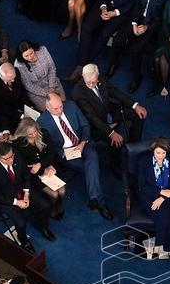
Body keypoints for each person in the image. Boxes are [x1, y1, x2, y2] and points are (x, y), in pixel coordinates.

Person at [37, 91, 113, 220]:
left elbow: (85, 125)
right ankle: (98, 201)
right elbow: (50, 147)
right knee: (91, 168)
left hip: (83, 143)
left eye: (61, 106)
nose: (60, 110)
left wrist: (83, 143)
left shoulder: (71, 106)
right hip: (67, 153)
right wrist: (62, 154)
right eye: (56, 108)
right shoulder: (42, 122)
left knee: (92, 157)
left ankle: (96, 200)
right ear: (47, 107)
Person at [0, 141, 55, 249]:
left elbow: (26, 174)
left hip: (22, 189)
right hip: (7, 198)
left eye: (12, 156)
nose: (11, 160)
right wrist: (17, 202)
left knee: (46, 205)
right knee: (21, 223)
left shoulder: (17, 156)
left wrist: (26, 192)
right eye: (7, 159)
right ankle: (23, 239)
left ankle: (42, 227)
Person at [118, 0, 170, 93]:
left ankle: (136, 76)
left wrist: (147, 27)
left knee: (136, 49)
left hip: (153, 24)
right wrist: (135, 23)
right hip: (138, 18)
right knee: (118, 39)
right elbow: (137, 4)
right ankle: (114, 63)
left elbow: (162, 16)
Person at [75, 0, 139, 65]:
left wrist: (115, 13)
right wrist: (104, 7)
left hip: (120, 11)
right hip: (104, 4)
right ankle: (81, 63)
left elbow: (132, 2)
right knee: (87, 27)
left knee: (105, 33)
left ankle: (85, 64)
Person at [73, 63, 147, 148]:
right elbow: (92, 116)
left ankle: (133, 147)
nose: (90, 86)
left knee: (138, 115)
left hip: (110, 111)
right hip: (97, 124)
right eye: (88, 83)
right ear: (83, 76)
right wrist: (111, 133)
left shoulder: (101, 79)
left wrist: (135, 105)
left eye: (93, 82)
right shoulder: (77, 92)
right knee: (117, 143)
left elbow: (115, 92)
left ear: (98, 75)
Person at [12, 117, 66, 219]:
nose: (34, 135)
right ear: (23, 133)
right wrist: (41, 170)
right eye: (30, 134)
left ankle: (59, 203)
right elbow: (24, 166)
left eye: (35, 132)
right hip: (34, 175)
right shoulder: (18, 144)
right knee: (54, 194)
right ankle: (53, 207)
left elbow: (51, 153)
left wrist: (41, 164)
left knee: (62, 191)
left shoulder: (44, 133)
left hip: (50, 166)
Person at [137, 137, 170, 253]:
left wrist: (162, 198)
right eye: (158, 152)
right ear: (153, 151)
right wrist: (160, 192)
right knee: (164, 216)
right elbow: (141, 186)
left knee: (162, 215)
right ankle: (167, 246)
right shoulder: (143, 161)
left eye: (164, 153)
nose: (161, 156)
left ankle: (158, 246)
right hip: (149, 194)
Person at [14, 40, 64, 110]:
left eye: (31, 53)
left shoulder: (43, 50)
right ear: (21, 56)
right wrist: (46, 93)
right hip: (36, 90)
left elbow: (52, 68)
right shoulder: (19, 65)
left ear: (34, 49)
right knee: (49, 109)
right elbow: (28, 85)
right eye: (26, 56)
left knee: (62, 102)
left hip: (50, 81)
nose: (30, 57)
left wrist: (51, 87)